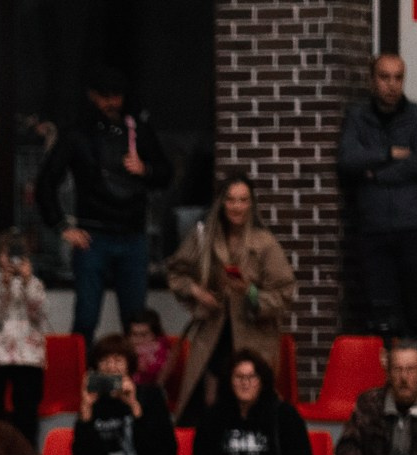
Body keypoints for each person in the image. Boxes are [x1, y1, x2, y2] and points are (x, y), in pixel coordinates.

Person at [34, 68, 175, 348]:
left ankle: (133, 385)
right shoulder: (77, 134)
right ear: (92, 96)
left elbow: (166, 174)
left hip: (132, 235)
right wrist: (62, 226)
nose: (111, 102)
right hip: (93, 236)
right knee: (86, 318)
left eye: (116, 96)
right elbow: (45, 183)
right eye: (105, 97)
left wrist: (145, 169)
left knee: (135, 320)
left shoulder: (138, 129)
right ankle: (81, 383)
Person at [164, 175, 296, 420]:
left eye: (243, 200)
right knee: (207, 402)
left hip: (252, 335)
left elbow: (284, 293)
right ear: (221, 203)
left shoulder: (264, 243)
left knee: (250, 403)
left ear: (252, 204)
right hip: (213, 331)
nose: (237, 207)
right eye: (231, 200)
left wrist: (250, 292)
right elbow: (176, 272)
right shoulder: (204, 237)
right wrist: (197, 293)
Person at [337, 54, 417, 336]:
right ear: (372, 80)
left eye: (398, 77)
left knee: (416, 311)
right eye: (384, 77)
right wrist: (389, 153)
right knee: (380, 313)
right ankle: (386, 379)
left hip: (415, 226)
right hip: (374, 228)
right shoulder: (358, 116)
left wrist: (376, 174)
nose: (392, 85)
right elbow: (347, 160)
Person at [187, 350, 313, 455]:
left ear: (262, 381)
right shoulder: (213, 418)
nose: (245, 383)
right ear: (229, 380)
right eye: (239, 377)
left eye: (252, 377)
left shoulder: (284, 416)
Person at [72, 334, 184, 455]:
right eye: (104, 361)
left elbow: (164, 450)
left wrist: (135, 407)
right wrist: (86, 409)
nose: (111, 367)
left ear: (129, 365)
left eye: (117, 360)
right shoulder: (95, 404)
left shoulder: (151, 396)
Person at [0, 229, 50, 445]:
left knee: (27, 409)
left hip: (29, 355)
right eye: (6, 254)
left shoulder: (34, 282)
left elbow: (40, 313)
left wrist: (26, 282)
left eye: (16, 253)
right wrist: (4, 286)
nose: (11, 259)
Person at [126, 309, 172, 390]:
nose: (138, 339)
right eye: (134, 334)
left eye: (144, 335)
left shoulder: (167, 355)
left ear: (155, 335)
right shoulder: (122, 352)